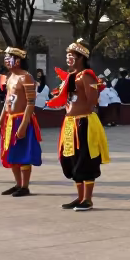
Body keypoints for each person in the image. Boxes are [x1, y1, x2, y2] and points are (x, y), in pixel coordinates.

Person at [47, 39, 110, 211]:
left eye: (71, 55)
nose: (68, 58)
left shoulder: (87, 75)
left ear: (81, 57)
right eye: (67, 55)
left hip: (84, 122)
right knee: (71, 158)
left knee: (86, 159)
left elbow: (93, 99)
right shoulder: (70, 77)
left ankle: (87, 199)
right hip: (70, 123)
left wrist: (92, 89)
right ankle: (80, 197)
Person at [0, 47, 41, 197]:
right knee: (12, 154)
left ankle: (25, 186)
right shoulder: (10, 77)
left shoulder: (26, 77)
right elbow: (7, 101)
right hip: (9, 119)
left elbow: (31, 103)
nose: (5, 60)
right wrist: (0, 120)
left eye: (8, 57)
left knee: (23, 153)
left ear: (18, 60)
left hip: (21, 119)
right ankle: (17, 184)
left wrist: (23, 125)